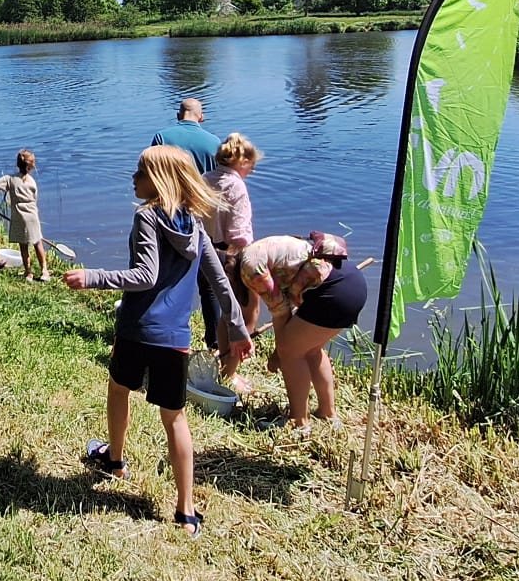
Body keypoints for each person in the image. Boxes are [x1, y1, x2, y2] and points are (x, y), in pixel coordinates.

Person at [64, 146, 251, 536]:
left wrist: (93, 277)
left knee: (119, 388)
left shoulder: (146, 216)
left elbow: (146, 276)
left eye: (141, 171)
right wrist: (238, 330)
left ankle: (115, 461)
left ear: (160, 180)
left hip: (136, 328)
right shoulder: (196, 228)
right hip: (174, 338)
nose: (133, 177)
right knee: (175, 418)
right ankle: (185, 512)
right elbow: (219, 284)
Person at [237, 232, 367, 437]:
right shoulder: (260, 248)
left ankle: (298, 422)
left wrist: (279, 354)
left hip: (332, 292)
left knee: (291, 352)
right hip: (352, 282)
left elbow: (281, 312)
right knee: (311, 350)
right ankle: (327, 412)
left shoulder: (250, 268)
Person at [205, 132, 261, 386]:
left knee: (226, 310)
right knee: (247, 312)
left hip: (207, 252)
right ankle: (231, 370)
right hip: (231, 255)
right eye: (252, 166)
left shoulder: (205, 178)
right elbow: (239, 234)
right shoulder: (236, 185)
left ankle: (224, 357)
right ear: (243, 162)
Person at [0, 148, 49, 282]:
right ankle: (44, 270)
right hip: (32, 216)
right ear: (31, 166)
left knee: (23, 245)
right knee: (37, 242)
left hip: (18, 217)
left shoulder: (10, 179)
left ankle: (28, 272)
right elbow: (35, 199)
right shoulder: (32, 182)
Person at [151, 96, 221, 173]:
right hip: (203, 185)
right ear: (201, 118)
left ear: (177, 116)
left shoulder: (161, 137)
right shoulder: (215, 142)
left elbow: (152, 171)